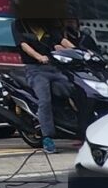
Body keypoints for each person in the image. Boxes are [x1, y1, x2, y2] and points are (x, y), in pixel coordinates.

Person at [16, 18, 73, 153]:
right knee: (45, 100)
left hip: (54, 67)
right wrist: (39, 56)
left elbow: (61, 40)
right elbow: (24, 45)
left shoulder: (46, 24)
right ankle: (47, 137)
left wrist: (78, 50)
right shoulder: (19, 24)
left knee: (76, 90)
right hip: (35, 70)